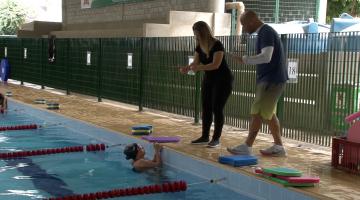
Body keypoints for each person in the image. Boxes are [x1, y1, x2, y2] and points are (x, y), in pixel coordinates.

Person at [227, 10, 288, 157]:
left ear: (252, 21)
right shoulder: (265, 32)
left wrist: (245, 59)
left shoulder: (265, 32)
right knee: (268, 113)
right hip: (273, 78)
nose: (244, 29)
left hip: (271, 79)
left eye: (244, 25)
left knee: (257, 112)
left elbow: (266, 57)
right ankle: (279, 147)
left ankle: (247, 146)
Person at [180, 21, 233, 148]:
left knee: (217, 108)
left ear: (203, 32)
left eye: (197, 34)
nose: (196, 36)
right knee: (206, 108)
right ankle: (205, 136)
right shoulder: (199, 46)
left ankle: (216, 138)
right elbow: (195, 63)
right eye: (195, 34)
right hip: (209, 79)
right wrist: (188, 68)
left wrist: (198, 68)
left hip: (223, 80)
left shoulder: (217, 44)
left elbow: (216, 65)